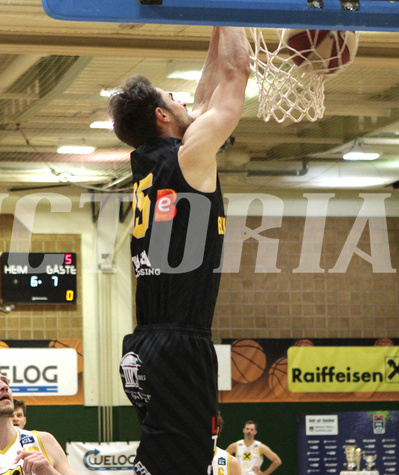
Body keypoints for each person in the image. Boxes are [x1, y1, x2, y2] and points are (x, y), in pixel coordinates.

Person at [110, 26, 250, 475]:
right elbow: (235, 74)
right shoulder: (190, 156)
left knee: (174, 461)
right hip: (174, 345)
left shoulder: (156, 161)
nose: (189, 101)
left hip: (151, 342)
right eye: (177, 98)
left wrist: (217, 17)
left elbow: (210, 92)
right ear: (161, 115)